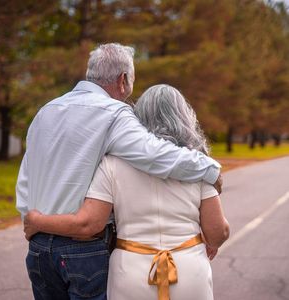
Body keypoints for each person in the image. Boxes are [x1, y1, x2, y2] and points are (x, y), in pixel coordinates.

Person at [17, 43, 222, 300]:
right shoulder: (115, 113)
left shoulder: (45, 111)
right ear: (123, 80)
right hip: (83, 249)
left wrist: (32, 219)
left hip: (38, 247)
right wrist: (209, 168)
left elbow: (26, 178)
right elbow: (155, 154)